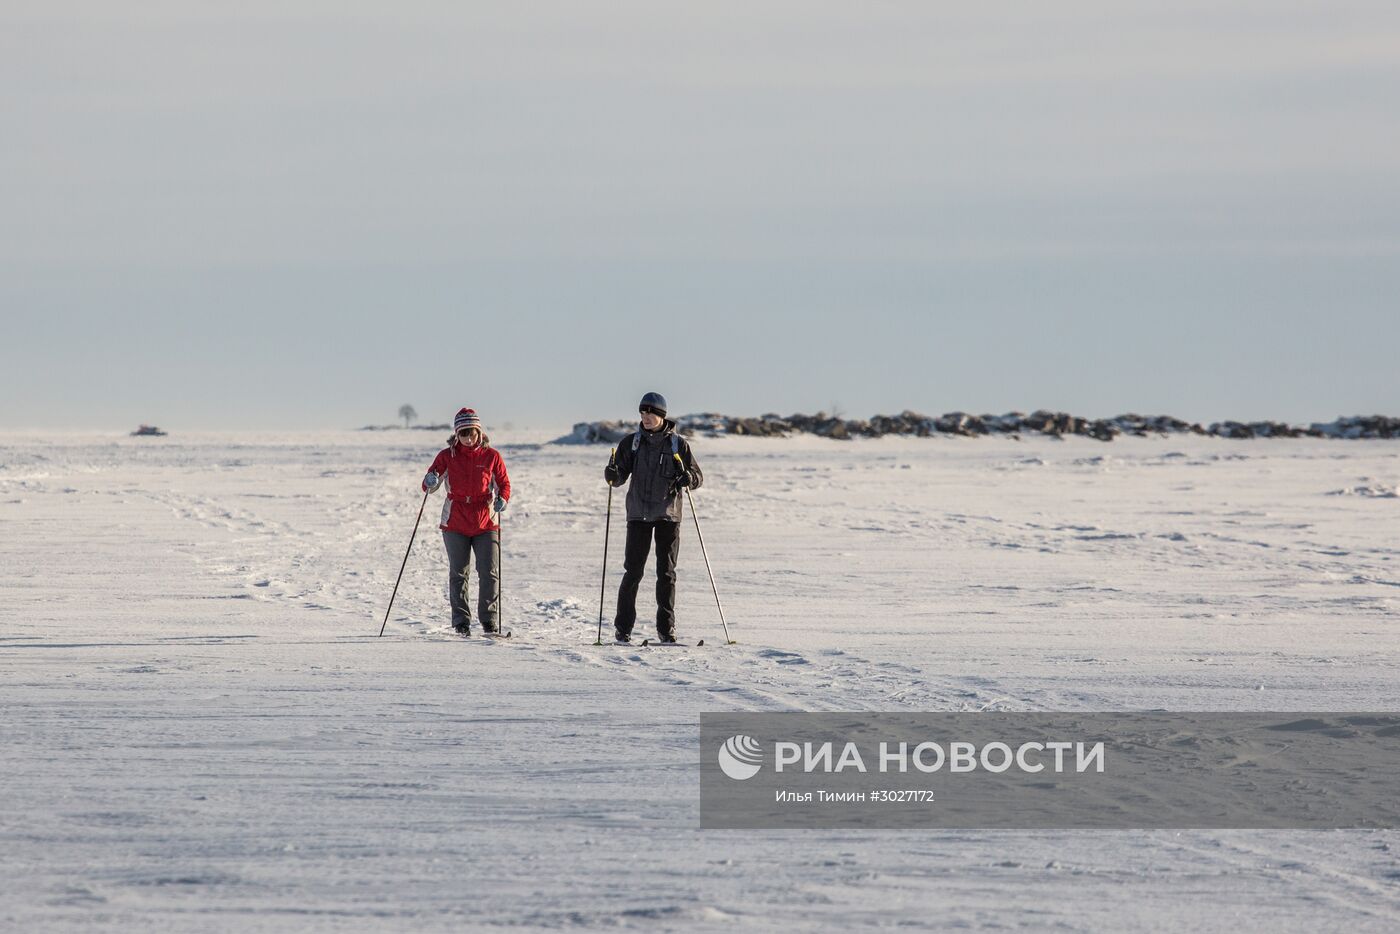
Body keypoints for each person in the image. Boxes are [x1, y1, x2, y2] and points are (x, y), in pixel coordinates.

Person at [603, 391, 703, 643]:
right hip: (638, 515)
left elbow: (697, 477)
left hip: (668, 516)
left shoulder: (678, 444)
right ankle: (623, 629)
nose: (645, 417)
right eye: (642, 412)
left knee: (666, 573)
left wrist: (688, 478)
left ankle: (666, 630)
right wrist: (612, 474)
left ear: (661, 415)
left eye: (650, 412)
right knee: (633, 572)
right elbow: (619, 478)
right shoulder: (631, 443)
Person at [422, 408, 511, 635]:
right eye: (464, 434)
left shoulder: (492, 456)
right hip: (455, 522)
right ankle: (461, 622)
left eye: (472, 433)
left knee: (489, 573)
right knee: (459, 573)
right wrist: (430, 479)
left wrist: (502, 499)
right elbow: (429, 487)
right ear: (457, 434)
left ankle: (489, 620)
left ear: (479, 432)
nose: (469, 438)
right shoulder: (446, 456)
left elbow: (504, 484)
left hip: (486, 521)